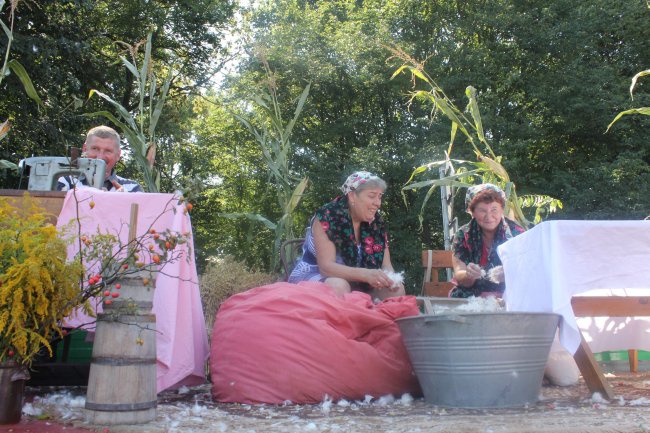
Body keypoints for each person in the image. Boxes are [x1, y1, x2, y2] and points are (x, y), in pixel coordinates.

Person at [289, 171, 405, 300]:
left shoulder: (376, 223)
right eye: (372, 196)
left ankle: (375, 319)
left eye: (380, 196)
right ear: (352, 196)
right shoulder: (328, 216)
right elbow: (326, 268)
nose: (378, 203)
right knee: (338, 285)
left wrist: (390, 279)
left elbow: (386, 265)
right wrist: (365, 275)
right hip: (319, 276)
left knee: (396, 289)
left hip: (361, 281)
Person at [450, 183, 525, 298]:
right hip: (472, 296)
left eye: (494, 209)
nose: (489, 216)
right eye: (482, 210)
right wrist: (469, 275)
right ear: (472, 212)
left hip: (508, 295)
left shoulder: (517, 234)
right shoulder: (463, 235)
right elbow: (460, 273)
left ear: (501, 210)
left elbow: (528, 270)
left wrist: (509, 273)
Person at [57, 126, 143, 192]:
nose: (100, 157)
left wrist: (124, 201)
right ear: (85, 149)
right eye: (95, 149)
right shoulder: (66, 182)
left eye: (108, 151)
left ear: (118, 155)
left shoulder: (132, 188)